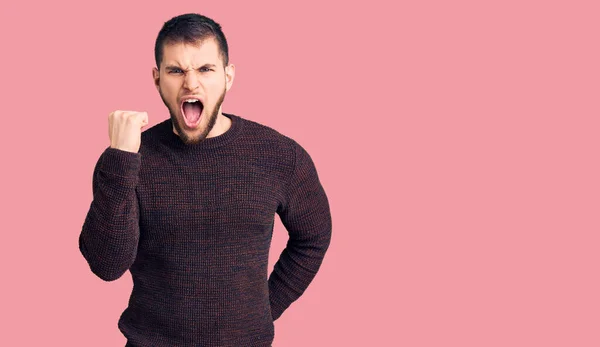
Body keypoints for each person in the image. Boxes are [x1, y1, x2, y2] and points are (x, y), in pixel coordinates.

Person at [78, 13, 332, 347]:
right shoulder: (125, 161)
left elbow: (314, 236)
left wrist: (266, 308)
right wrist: (122, 159)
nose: (191, 83)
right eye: (176, 70)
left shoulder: (280, 155)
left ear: (228, 77)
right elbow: (106, 264)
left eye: (205, 69)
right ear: (157, 79)